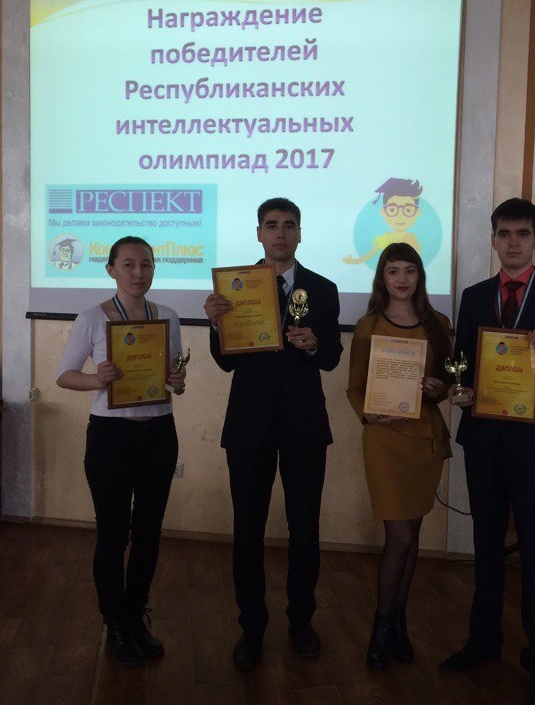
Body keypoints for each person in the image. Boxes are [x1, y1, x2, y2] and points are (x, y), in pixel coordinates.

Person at [440, 199, 535, 705]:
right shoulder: (474, 296)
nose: (513, 243)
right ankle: (483, 642)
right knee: (485, 545)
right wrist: (459, 390)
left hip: (533, 447)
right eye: (504, 234)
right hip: (483, 440)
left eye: (522, 234)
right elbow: (461, 361)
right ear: (493, 239)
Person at [204, 197, 343, 669]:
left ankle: (302, 621)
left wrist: (315, 344)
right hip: (249, 425)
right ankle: (252, 626)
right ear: (259, 233)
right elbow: (226, 363)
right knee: (248, 529)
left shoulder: (322, 289)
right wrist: (216, 324)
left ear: (299, 233)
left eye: (288, 225)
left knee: (305, 527)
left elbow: (331, 358)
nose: (280, 233)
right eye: (271, 225)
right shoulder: (236, 288)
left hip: (304, 424)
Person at [55, 236, 186, 667]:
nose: (138, 272)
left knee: (149, 533)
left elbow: (173, 378)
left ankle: (135, 616)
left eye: (146, 264)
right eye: (128, 264)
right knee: (113, 535)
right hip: (110, 439)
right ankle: (114, 624)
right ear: (111, 269)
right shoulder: (92, 318)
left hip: (159, 435)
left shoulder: (167, 317)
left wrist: (177, 381)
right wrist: (98, 379)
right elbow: (64, 375)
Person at [346, 243, 452, 671]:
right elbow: (355, 388)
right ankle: (382, 624)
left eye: (410, 270)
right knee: (400, 538)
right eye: (393, 271)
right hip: (384, 441)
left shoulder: (438, 324)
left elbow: (446, 383)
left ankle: (399, 622)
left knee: (413, 536)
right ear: (382, 278)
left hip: (422, 440)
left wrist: (438, 389)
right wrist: (368, 412)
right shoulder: (367, 326)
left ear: (420, 276)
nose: (402, 279)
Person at [343, 178, 423, 264]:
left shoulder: (410, 238)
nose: (400, 216)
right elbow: (372, 253)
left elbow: (417, 258)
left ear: (417, 212)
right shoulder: (386, 238)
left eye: (408, 210)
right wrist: (357, 261)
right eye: (392, 210)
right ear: (383, 212)